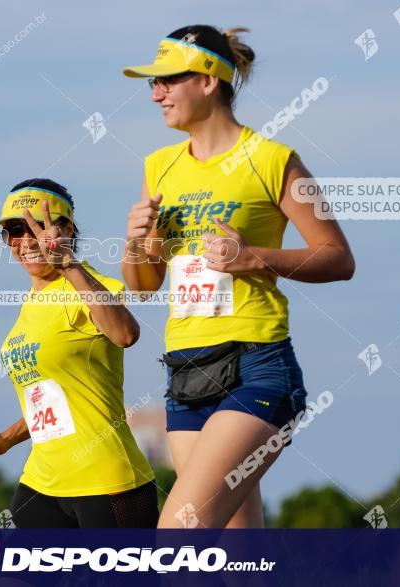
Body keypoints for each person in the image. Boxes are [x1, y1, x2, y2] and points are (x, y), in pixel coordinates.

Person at [120, 25, 355, 528]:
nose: (156, 93)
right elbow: (144, 284)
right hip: (185, 374)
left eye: (166, 80)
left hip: (256, 368)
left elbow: (338, 258)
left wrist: (255, 258)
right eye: (151, 84)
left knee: (179, 536)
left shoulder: (274, 160)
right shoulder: (158, 166)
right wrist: (135, 242)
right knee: (235, 557)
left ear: (207, 80)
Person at [0, 178, 158, 528]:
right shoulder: (31, 304)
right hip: (42, 482)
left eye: (37, 227)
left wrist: (69, 265)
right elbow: (55, 399)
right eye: (14, 230)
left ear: (67, 230)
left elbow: (125, 334)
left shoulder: (86, 284)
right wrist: (6, 439)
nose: (26, 240)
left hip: (105, 481)